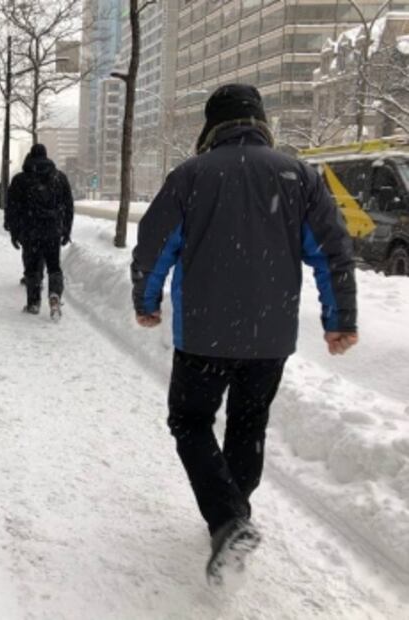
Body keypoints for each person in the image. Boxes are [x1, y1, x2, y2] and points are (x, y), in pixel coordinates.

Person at [131, 84, 358, 585]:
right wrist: (340, 319)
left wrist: (146, 302)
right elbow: (332, 251)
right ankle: (234, 513)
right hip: (270, 337)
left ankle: (228, 519)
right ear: (260, 122)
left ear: (211, 126)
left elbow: (154, 245)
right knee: (248, 424)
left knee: (189, 422)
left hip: (203, 338)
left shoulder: (191, 176)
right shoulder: (299, 176)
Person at [5, 144, 74, 319]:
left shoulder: (20, 180)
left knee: (32, 268)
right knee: (54, 266)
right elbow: (68, 206)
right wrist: (66, 230)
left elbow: (12, 208)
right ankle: (55, 295)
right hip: (53, 230)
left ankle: (33, 303)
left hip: (30, 231)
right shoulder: (59, 178)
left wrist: (14, 232)